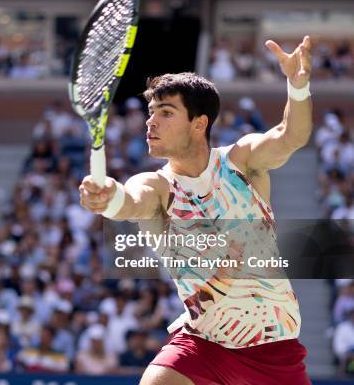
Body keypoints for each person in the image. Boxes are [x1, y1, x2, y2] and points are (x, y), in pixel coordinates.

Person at [79, 36, 313, 384]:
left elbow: (289, 136)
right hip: (203, 343)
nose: (151, 123)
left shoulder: (241, 163)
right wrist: (108, 197)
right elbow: (130, 201)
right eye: (151, 113)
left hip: (273, 350)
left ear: (199, 123)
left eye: (166, 113)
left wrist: (297, 85)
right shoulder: (158, 187)